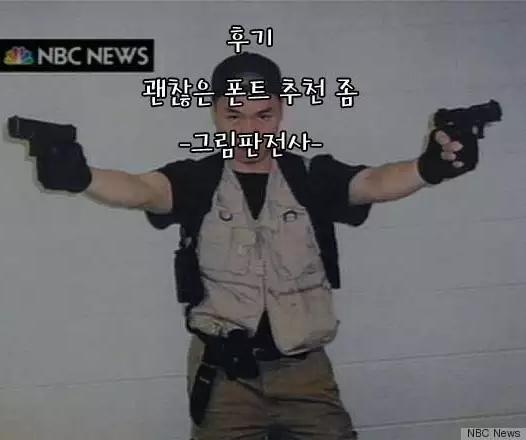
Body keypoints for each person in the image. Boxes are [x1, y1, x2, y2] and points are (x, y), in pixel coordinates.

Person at [27, 52, 478, 440]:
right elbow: (140, 189)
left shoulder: (311, 176)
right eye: (234, 116)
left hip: (306, 373)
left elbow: (374, 182)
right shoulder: (196, 179)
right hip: (224, 378)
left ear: (281, 113)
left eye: (263, 116)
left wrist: (431, 166)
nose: (249, 130)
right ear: (215, 114)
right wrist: (80, 176)